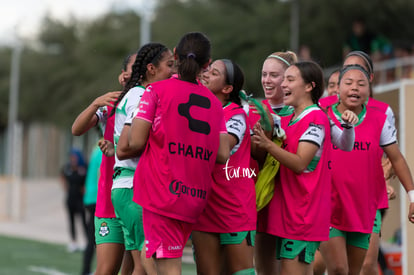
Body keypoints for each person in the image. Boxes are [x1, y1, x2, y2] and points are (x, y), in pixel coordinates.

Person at [119, 32, 230, 275]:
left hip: (161, 194)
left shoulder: (156, 91)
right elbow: (222, 154)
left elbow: (134, 141)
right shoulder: (213, 102)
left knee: (166, 268)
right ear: (207, 63)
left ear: (176, 56)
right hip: (195, 197)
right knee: (153, 261)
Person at [319, 64, 414, 275]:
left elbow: (396, 158)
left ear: (369, 89)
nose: (355, 88)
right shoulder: (322, 115)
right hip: (329, 207)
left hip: (363, 209)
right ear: (337, 90)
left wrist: (412, 196)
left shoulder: (379, 119)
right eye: (348, 83)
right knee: (337, 268)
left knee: (358, 270)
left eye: (361, 84)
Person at [252, 61, 332, 275]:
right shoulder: (292, 119)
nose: (283, 84)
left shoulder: (316, 117)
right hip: (289, 214)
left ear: (309, 86)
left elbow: (299, 163)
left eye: (290, 79)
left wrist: (267, 144)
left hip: (303, 216)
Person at [109, 42, 174, 275]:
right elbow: (125, 148)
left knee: (139, 266)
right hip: (133, 186)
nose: (174, 72)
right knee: (149, 263)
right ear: (151, 69)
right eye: (169, 65)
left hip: (126, 187)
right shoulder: (141, 96)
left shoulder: (139, 94)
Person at [72, 52, 137, 275]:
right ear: (123, 74)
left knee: (138, 268)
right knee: (107, 269)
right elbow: (77, 129)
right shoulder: (114, 102)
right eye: (134, 66)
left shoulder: (154, 101)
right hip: (111, 199)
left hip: (140, 200)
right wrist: (95, 104)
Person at [191, 59, 256, 275]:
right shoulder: (197, 108)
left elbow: (223, 149)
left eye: (215, 73)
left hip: (234, 207)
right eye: (208, 70)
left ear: (227, 89)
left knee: (241, 273)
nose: (207, 74)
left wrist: (208, 117)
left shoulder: (235, 114)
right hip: (204, 206)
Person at [60, 147, 88, 253]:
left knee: (83, 220)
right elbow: (62, 175)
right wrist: (65, 186)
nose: (72, 159)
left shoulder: (83, 168)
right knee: (71, 221)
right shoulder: (67, 167)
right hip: (70, 198)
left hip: (80, 199)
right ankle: (73, 242)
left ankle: (86, 242)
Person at [81, 141, 102, 275]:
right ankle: (98, 269)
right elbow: (102, 173)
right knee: (102, 238)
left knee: (92, 237)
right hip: (97, 198)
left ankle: (87, 270)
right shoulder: (104, 150)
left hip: (89, 198)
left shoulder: (96, 149)